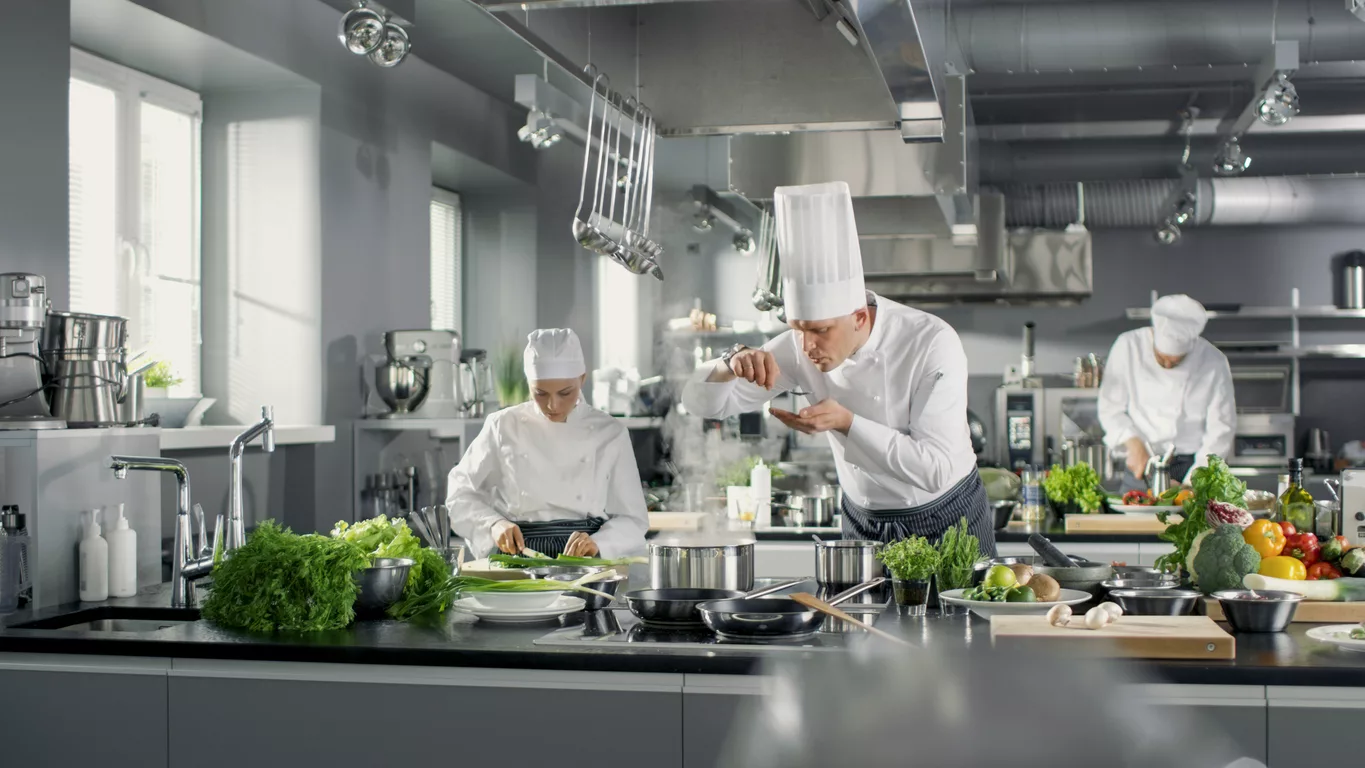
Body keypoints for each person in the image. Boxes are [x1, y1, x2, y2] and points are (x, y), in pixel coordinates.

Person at [681, 181, 993, 554]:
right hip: (863, 522)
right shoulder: (800, 344)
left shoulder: (931, 342)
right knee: (857, 616)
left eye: (821, 330)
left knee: (964, 613)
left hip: (946, 516)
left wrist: (846, 422)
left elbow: (934, 470)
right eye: (798, 329)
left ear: (859, 316)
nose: (808, 345)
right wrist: (729, 363)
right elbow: (702, 404)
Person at [447, 328, 648, 559]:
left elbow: (634, 519)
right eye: (540, 393)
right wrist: (493, 524)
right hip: (519, 557)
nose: (553, 405)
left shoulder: (610, 432)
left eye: (565, 393)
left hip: (584, 561)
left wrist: (598, 543)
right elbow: (459, 495)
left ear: (582, 379)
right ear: (529, 383)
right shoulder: (502, 426)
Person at [1099, 294, 1236, 492]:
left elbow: (1221, 428)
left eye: (1177, 361)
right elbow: (1109, 409)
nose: (1168, 364)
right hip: (1143, 462)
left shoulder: (1214, 362)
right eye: (1162, 359)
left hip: (1192, 464)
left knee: (1190, 521)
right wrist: (1133, 442)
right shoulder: (1128, 346)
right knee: (1133, 523)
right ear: (1154, 336)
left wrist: (1193, 483)